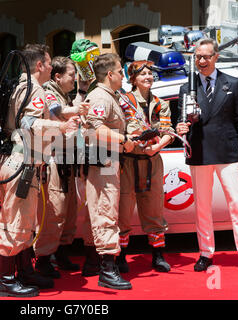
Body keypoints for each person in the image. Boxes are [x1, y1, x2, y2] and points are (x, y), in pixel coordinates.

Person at [0, 44, 80, 297]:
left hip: (19, 161)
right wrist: (62, 128)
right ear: (40, 65)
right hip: (21, 162)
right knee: (16, 222)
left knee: (26, 222)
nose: (52, 66)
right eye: (49, 62)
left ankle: (24, 271)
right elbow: (28, 123)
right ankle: (6, 279)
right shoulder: (34, 89)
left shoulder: (22, 86)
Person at [176, 38, 238, 277]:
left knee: (237, 204)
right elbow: (181, 119)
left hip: (227, 152)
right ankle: (205, 252)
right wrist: (181, 127)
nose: (201, 61)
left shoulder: (232, 83)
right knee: (202, 207)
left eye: (206, 56)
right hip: (199, 152)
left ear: (216, 57)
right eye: (198, 57)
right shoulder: (187, 87)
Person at [33, 56, 91, 278]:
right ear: (58, 76)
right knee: (54, 211)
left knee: (68, 211)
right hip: (54, 160)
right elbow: (58, 111)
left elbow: (69, 107)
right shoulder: (48, 91)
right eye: (72, 75)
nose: (75, 79)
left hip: (68, 160)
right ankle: (43, 259)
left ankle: (61, 253)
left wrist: (82, 93)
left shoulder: (63, 93)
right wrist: (79, 108)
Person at [85, 53, 138, 290]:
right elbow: (94, 129)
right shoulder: (100, 97)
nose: (123, 75)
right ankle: (107, 269)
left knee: (109, 211)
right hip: (103, 160)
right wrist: (123, 138)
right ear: (110, 74)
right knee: (106, 212)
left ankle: (107, 265)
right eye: (120, 71)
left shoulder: (110, 96)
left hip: (110, 159)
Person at [118, 60, 175, 273]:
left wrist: (157, 147)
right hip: (128, 161)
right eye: (142, 74)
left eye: (150, 74)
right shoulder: (123, 101)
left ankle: (158, 255)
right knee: (123, 210)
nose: (148, 77)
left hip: (152, 161)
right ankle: (121, 256)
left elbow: (168, 131)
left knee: (153, 208)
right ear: (133, 79)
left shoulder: (161, 103)